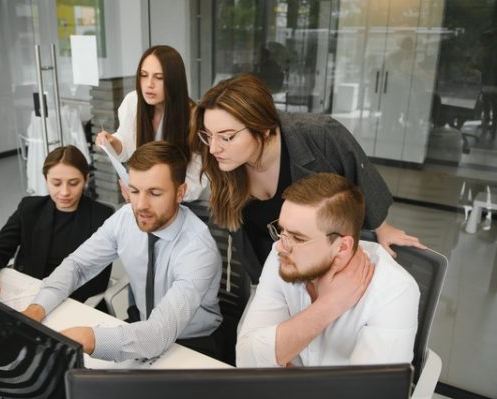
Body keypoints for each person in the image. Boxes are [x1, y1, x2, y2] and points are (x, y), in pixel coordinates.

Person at [189, 74, 425, 284]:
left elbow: (359, 171)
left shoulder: (319, 135)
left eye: (227, 137)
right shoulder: (224, 160)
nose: (213, 148)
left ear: (263, 129)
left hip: (323, 263)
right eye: (208, 135)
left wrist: (381, 226)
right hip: (270, 267)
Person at [22, 141, 223, 361]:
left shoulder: (198, 248)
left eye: (155, 193)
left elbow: (158, 334)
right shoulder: (126, 217)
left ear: (180, 192)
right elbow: (78, 265)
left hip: (192, 342)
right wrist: (37, 308)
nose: (140, 205)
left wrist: (91, 338)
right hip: (141, 323)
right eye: (135, 191)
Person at [236, 173, 420, 367]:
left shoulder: (394, 290)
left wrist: (280, 362)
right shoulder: (282, 257)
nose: (281, 246)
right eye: (281, 231)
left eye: (298, 238)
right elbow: (247, 361)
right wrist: (328, 306)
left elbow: (369, 390)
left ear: (342, 248)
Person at [0, 145, 113, 303]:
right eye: (56, 183)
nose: (64, 192)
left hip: (75, 302)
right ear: (46, 180)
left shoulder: (102, 216)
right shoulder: (30, 208)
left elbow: (96, 281)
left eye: (73, 183)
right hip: (29, 295)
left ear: (85, 180)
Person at [96, 45, 208, 201]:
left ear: (174, 81)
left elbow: (196, 183)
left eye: (159, 77)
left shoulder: (193, 118)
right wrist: (113, 142)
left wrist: (148, 194)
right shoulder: (133, 102)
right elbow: (127, 146)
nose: (149, 84)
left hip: (180, 203)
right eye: (143, 75)